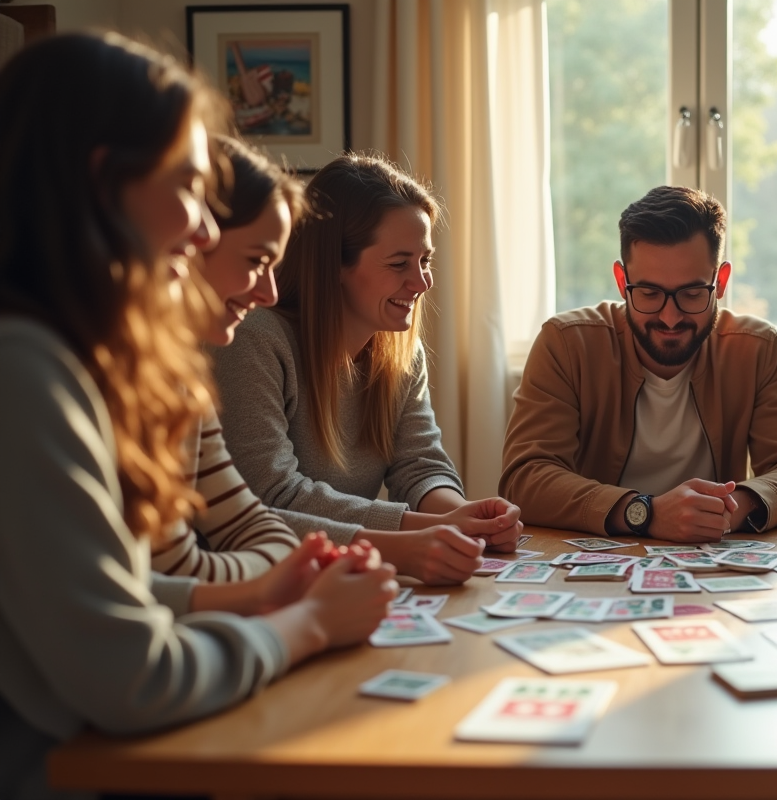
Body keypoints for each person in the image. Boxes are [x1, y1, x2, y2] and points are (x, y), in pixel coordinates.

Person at [0, 33, 397, 800]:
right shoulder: (25, 370)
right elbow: (133, 678)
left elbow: (120, 598)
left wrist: (259, 596)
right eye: (188, 186)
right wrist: (308, 624)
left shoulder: (69, 361)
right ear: (104, 184)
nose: (205, 228)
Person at [211, 153, 522, 585]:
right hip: (259, 581)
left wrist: (464, 517)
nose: (422, 283)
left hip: (340, 577)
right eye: (399, 264)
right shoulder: (253, 337)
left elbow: (420, 466)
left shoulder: (400, 350)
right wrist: (421, 532)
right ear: (333, 264)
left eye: (425, 260)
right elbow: (271, 496)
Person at [500, 185, 777, 542]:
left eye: (691, 294)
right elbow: (524, 478)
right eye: (649, 293)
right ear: (622, 281)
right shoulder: (566, 344)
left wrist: (725, 511)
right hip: (600, 554)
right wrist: (646, 513)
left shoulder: (758, 349)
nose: (670, 318)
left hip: (710, 554)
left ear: (720, 282)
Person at [152, 135, 313, 581]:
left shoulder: (184, 381)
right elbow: (174, 569)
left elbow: (253, 525)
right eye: (257, 261)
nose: (269, 293)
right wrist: (279, 593)